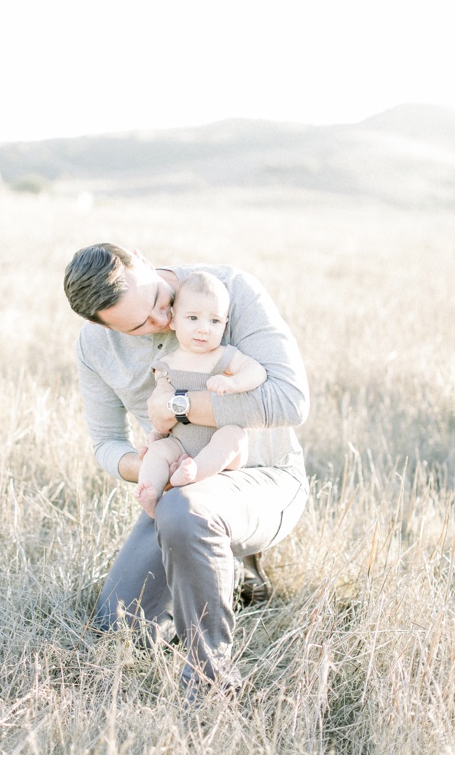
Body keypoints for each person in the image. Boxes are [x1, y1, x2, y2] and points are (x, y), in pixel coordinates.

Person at [63, 243, 309, 703]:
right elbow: (105, 443)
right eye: (141, 325)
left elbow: (291, 402)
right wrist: (150, 464)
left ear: (140, 257)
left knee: (185, 509)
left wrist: (177, 406)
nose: (164, 318)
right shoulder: (95, 345)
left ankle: (211, 683)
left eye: (159, 298)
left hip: (264, 477)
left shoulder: (230, 289)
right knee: (119, 625)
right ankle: (223, 567)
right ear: (101, 324)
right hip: (181, 476)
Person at [135, 271, 268, 520]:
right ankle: (151, 493)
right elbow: (159, 407)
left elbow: (257, 371)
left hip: (222, 450)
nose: (204, 329)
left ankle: (195, 473)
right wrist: (157, 432)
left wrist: (234, 382)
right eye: (193, 318)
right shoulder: (166, 364)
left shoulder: (223, 356)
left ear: (225, 324)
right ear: (173, 320)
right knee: (157, 451)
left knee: (234, 435)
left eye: (215, 321)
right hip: (180, 443)